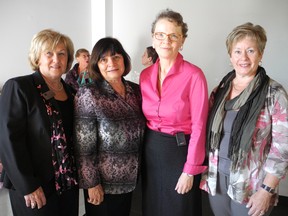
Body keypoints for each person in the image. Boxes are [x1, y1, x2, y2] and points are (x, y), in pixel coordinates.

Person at [200, 22, 288, 216]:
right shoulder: (220, 90)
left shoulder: (274, 93)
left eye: (250, 50)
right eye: (237, 51)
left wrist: (266, 190)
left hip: (253, 184)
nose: (244, 58)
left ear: (261, 54)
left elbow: (282, 148)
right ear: (230, 56)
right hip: (217, 180)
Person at [0, 29, 79, 216]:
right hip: (34, 185)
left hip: (67, 183)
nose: (56, 59)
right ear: (37, 57)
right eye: (49, 53)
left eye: (62, 53)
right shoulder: (20, 87)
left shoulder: (70, 92)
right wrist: (27, 185)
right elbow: (8, 140)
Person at [140, 9, 209, 216]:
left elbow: (199, 126)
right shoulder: (145, 75)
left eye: (173, 36)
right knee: (153, 205)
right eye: (160, 35)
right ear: (153, 38)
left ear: (182, 41)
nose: (166, 41)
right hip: (152, 149)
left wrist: (190, 169)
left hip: (180, 151)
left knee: (180, 208)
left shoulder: (194, 75)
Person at [74, 37, 146, 216]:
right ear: (96, 64)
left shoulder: (135, 91)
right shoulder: (89, 94)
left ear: (124, 60)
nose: (111, 63)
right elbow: (83, 148)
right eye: (103, 59)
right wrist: (91, 184)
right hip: (103, 185)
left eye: (116, 57)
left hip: (132, 178)